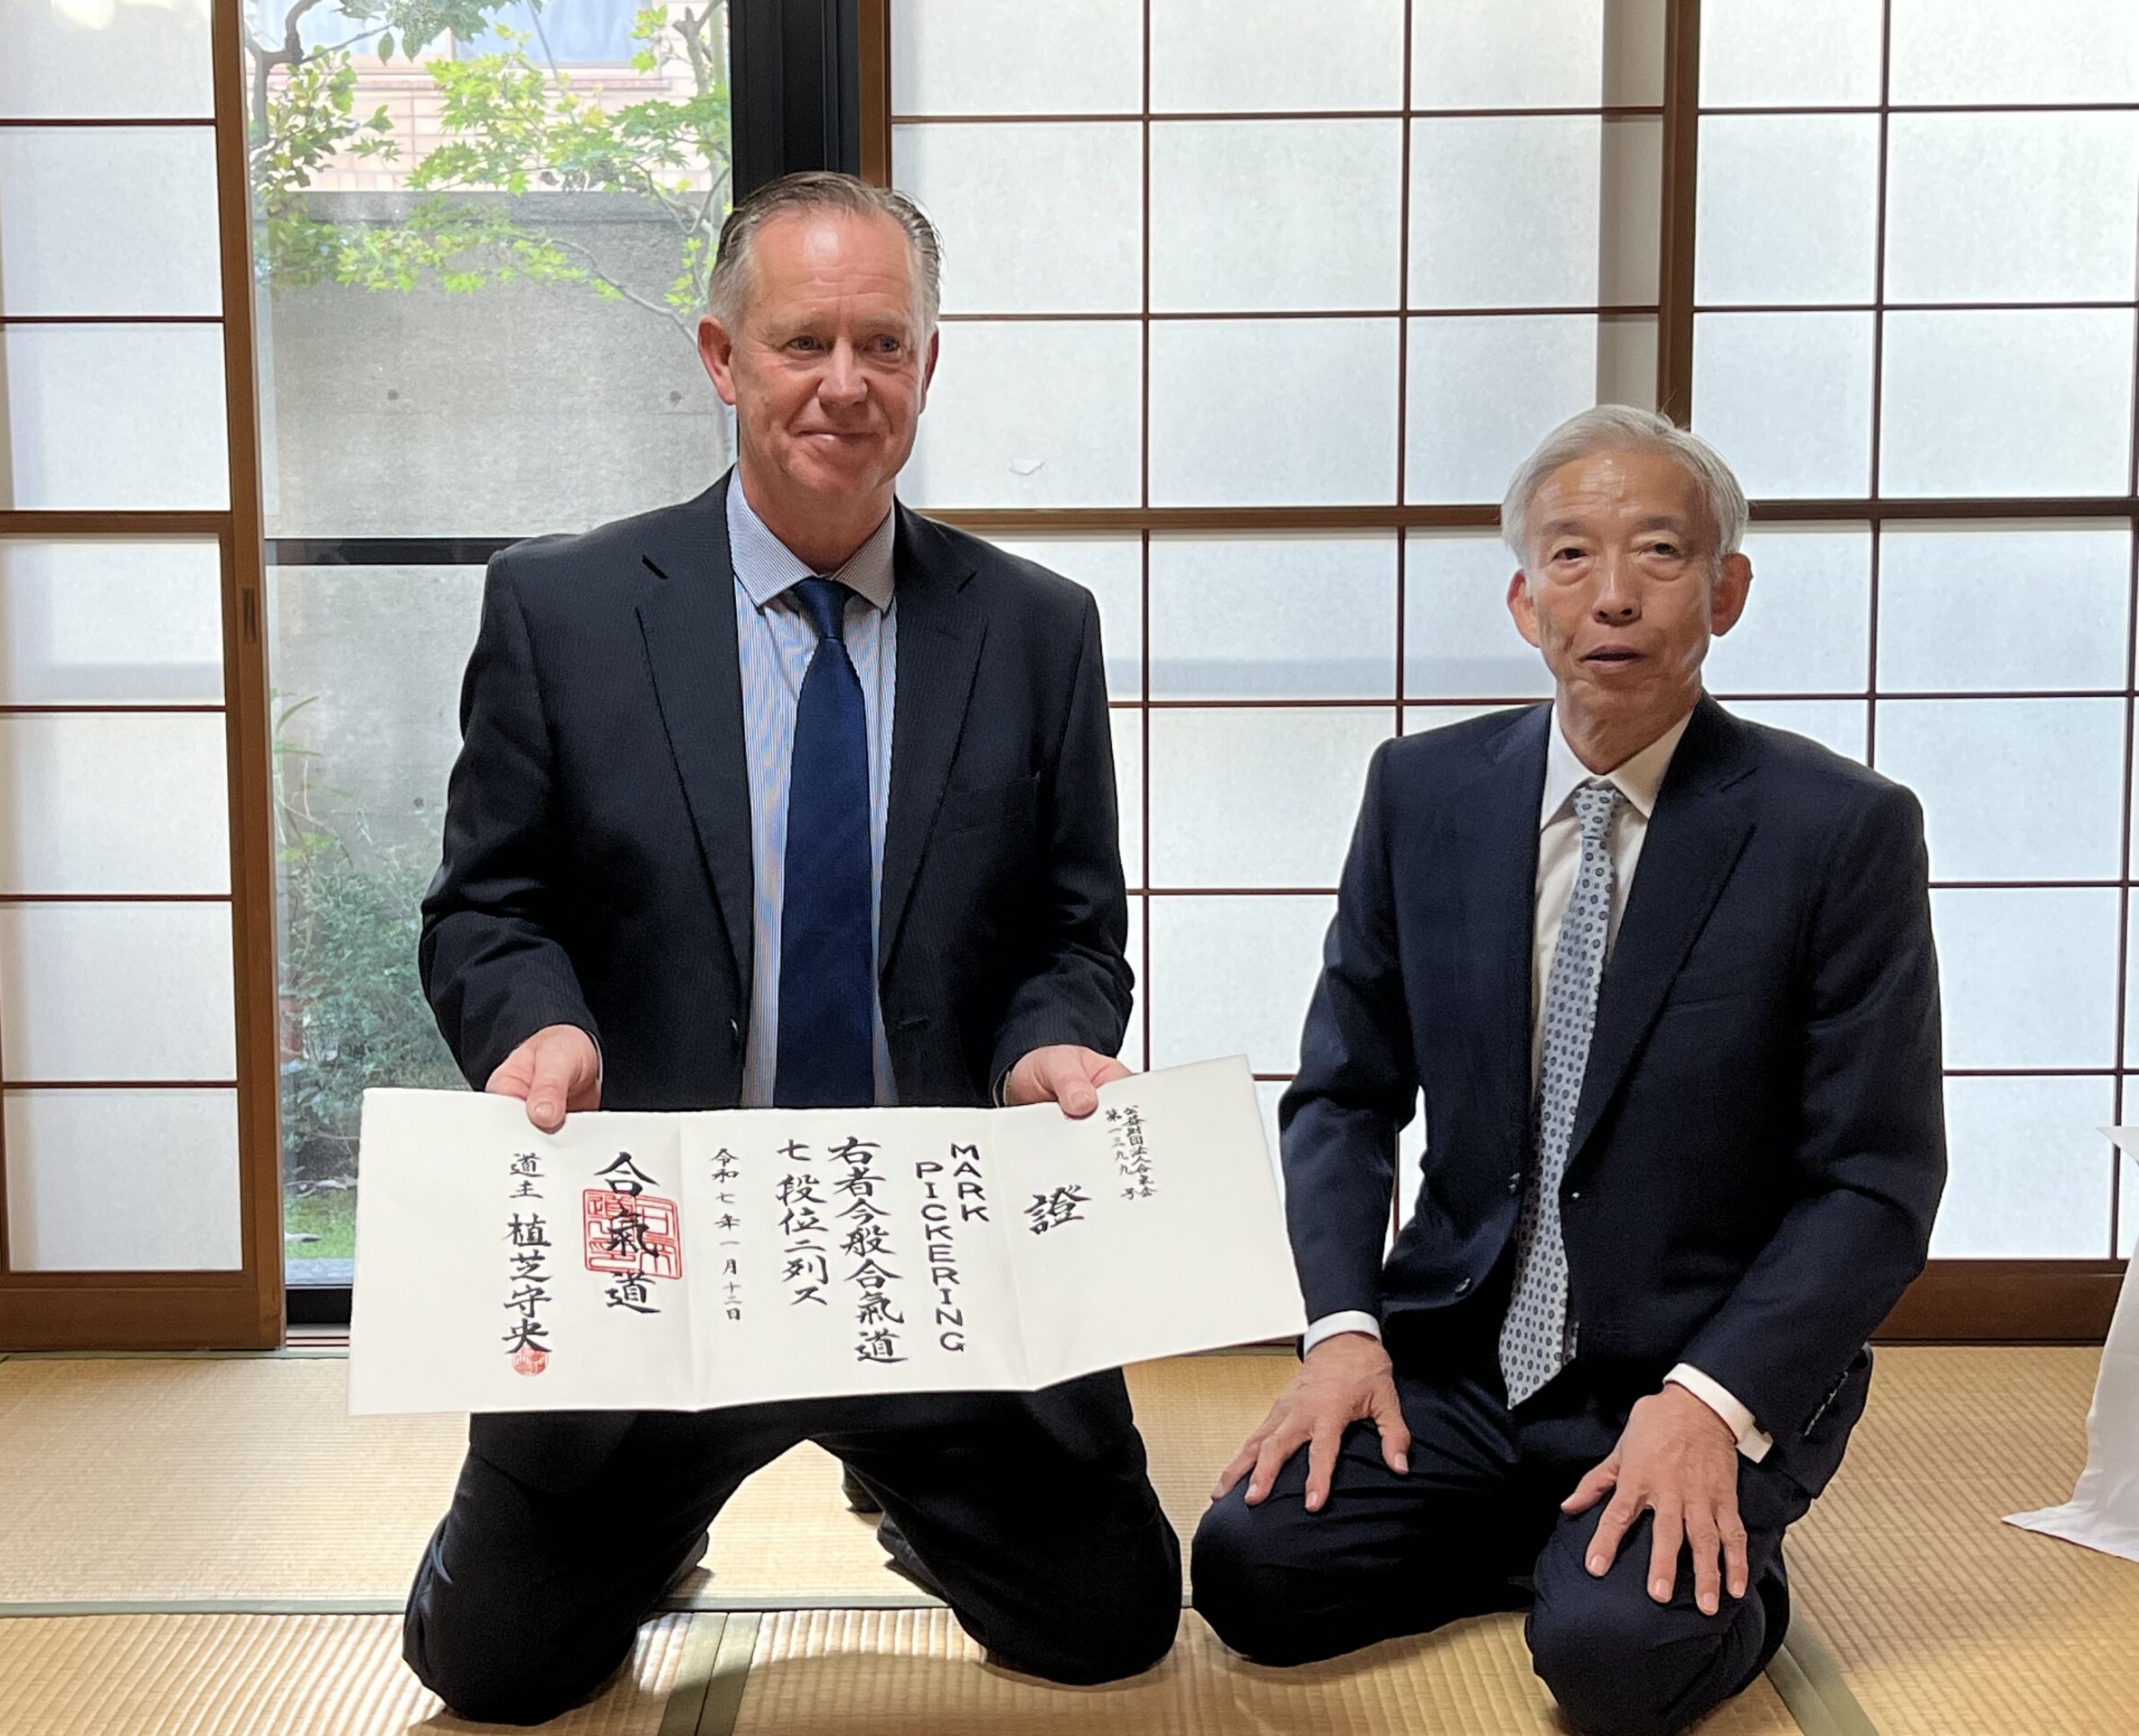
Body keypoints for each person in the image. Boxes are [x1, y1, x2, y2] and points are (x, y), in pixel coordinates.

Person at [400, 171, 1179, 1724]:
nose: (845, 383)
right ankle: (661, 1523)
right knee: (490, 1669)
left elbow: (1075, 929)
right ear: (721, 356)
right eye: (801, 341)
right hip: (663, 1250)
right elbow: (488, 907)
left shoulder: (1036, 627)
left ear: (928, 366)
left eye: (883, 344)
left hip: (933, 1251)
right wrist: (535, 1028)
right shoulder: (565, 607)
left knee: (1113, 1626)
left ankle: (898, 1484)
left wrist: (1051, 1037)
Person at [1190, 407, 1947, 1736]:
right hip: (1463, 1357)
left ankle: (1680, 1553)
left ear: (1726, 591)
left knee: (1614, 1666)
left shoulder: (1840, 831)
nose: (1613, 595)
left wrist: (1710, 1404)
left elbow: (1874, 1183)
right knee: (1252, 1572)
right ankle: (1546, 1534)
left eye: (1659, 551)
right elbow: (1345, 1095)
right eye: (1571, 554)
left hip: (1692, 1369)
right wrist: (1342, 1331)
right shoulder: (1423, 793)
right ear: (1523, 596)